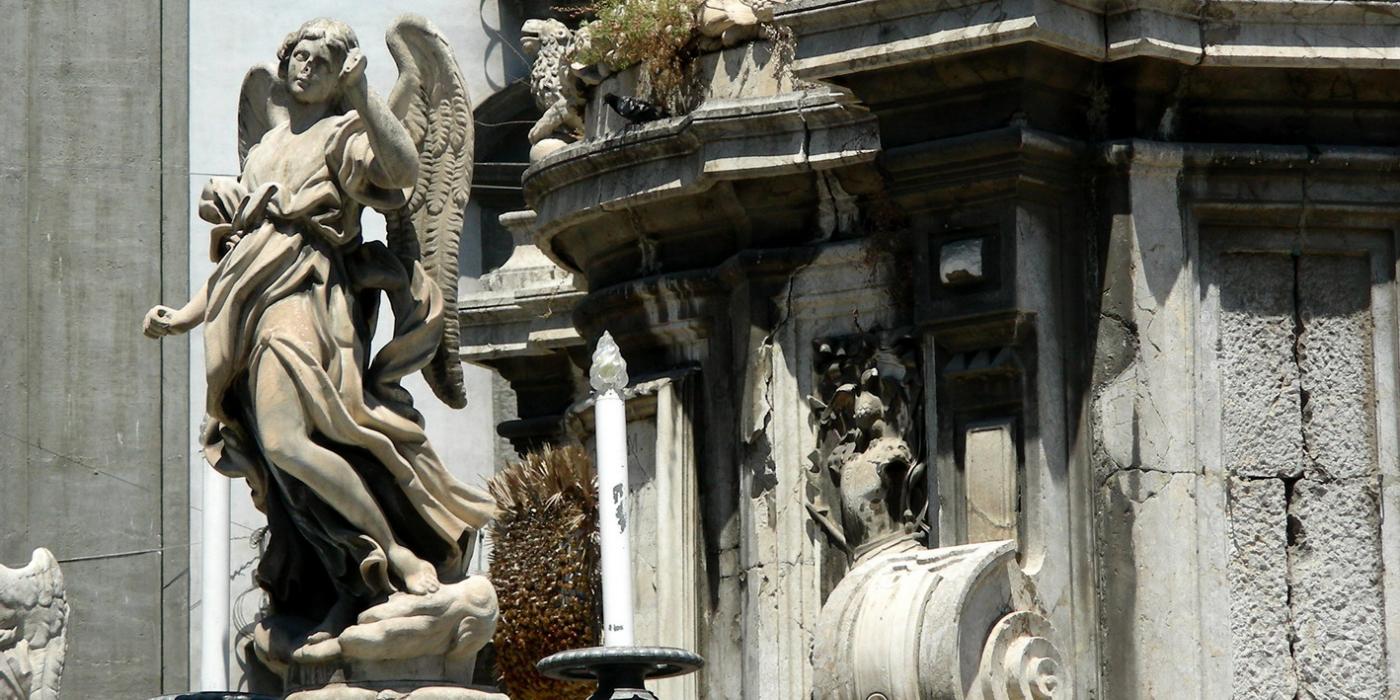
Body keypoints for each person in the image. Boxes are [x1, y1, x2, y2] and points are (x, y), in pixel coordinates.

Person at [144, 18, 493, 641]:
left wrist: (363, 98)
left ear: (340, 77)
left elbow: (403, 172)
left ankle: (397, 551)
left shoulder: (344, 135)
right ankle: (351, 578)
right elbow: (238, 258)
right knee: (285, 472)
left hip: (308, 299)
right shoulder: (266, 149)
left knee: (286, 443)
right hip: (246, 309)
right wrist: (186, 313)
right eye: (300, 56)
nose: (306, 68)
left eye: (323, 63)